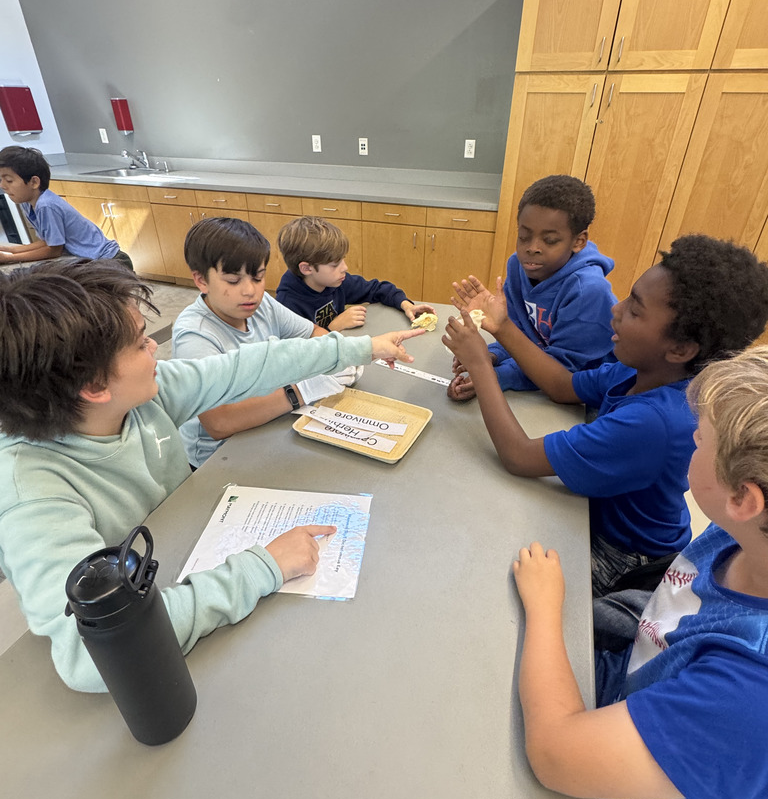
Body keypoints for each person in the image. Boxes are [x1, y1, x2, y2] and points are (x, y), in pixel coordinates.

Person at [0, 258, 422, 692]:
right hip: (157, 614)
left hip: (179, 558)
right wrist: (263, 567)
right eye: (142, 344)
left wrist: (361, 348)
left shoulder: (140, 397)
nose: (154, 350)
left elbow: (246, 367)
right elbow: (92, 656)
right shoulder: (30, 492)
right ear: (93, 386)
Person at [514, 345, 768, 799]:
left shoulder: (750, 692)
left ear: (742, 497)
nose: (689, 443)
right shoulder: (740, 536)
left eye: (698, 440)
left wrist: (545, 609)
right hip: (633, 700)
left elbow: (555, 754)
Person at [444, 235, 768, 595]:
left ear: (679, 348)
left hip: (624, 556)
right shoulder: (639, 370)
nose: (616, 309)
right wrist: (502, 326)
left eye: (635, 309)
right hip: (594, 515)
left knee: (487, 573)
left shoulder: (653, 423)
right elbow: (562, 385)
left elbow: (518, 456)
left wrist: (478, 363)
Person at [172, 216, 363, 467]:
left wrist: (341, 353)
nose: (250, 290)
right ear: (201, 280)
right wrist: (301, 391)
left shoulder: (262, 304)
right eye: (233, 280)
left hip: (270, 423)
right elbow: (219, 422)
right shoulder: (195, 336)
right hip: (219, 457)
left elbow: (312, 333)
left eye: (258, 277)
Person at [448, 174, 616, 402]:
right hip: (540, 378)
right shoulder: (518, 266)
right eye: (524, 236)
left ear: (578, 241)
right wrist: (492, 356)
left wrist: (492, 377)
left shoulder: (588, 290)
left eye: (549, 240)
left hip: (589, 397)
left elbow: (564, 374)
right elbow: (519, 335)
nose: (532, 248)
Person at [276, 214, 436, 330]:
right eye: (335, 265)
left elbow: (377, 289)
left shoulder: (335, 281)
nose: (344, 268)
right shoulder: (287, 305)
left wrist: (406, 305)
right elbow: (297, 354)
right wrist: (334, 327)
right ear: (306, 268)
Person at [0, 145, 133, 267]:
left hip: (110, 261)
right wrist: (12, 250)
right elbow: (49, 242)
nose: (3, 186)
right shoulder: (28, 204)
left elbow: (54, 249)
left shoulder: (46, 205)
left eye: (9, 180)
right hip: (95, 262)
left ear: (34, 182)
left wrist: (9, 258)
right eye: (1, 180)